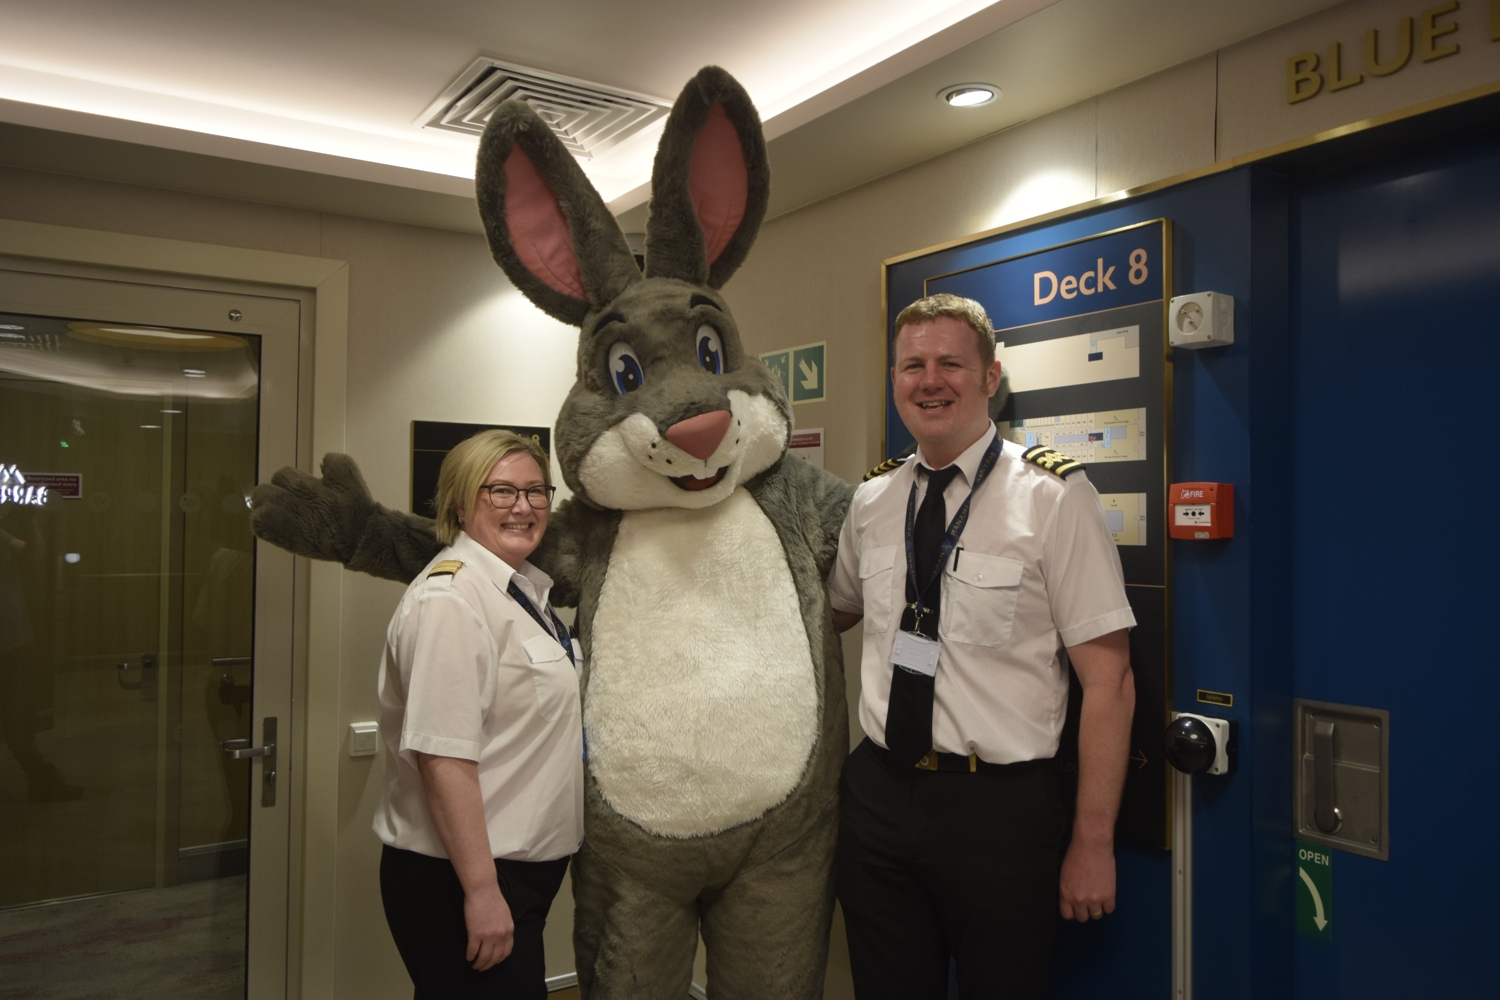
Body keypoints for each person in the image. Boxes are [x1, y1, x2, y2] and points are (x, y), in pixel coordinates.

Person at [827, 294, 1136, 999]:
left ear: (989, 376)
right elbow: (835, 612)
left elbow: (1110, 680)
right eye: (912, 365)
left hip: (997, 809)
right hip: (877, 796)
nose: (929, 380)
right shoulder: (871, 501)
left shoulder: (1053, 498)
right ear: (894, 379)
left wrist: (1093, 841)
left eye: (949, 364)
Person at [373, 430, 582, 1000]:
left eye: (536, 491)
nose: (523, 507)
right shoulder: (451, 601)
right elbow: (442, 756)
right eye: (501, 491)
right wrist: (483, 891)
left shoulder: (521, 593)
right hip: (464, 876)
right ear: (460, 504)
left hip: (515, 875)